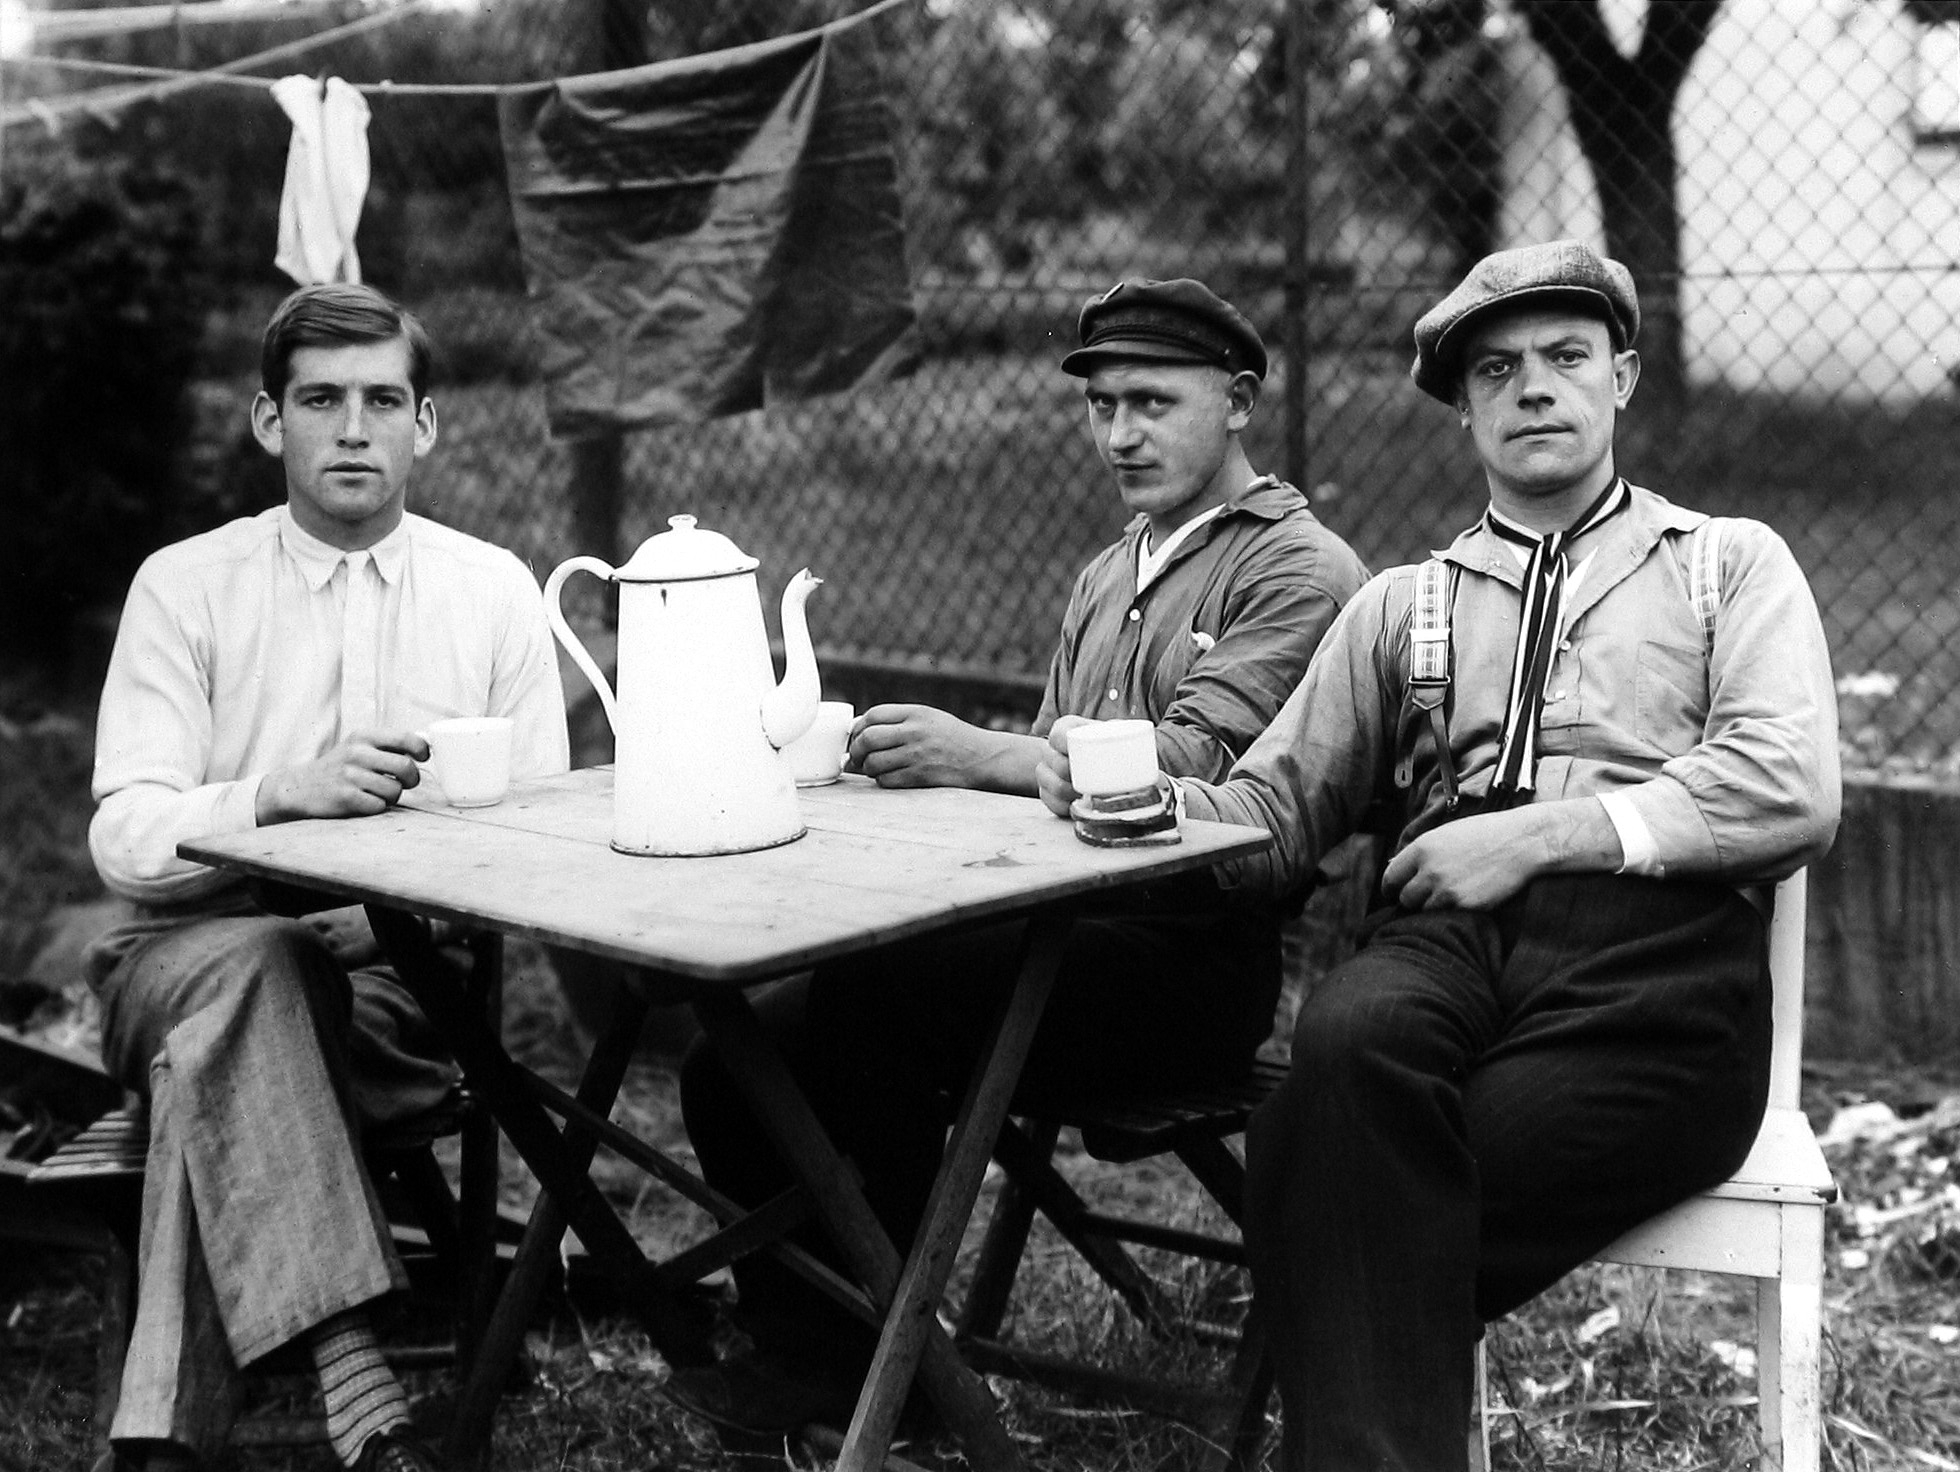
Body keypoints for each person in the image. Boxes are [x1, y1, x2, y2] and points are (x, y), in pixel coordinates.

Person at [1176, 239, 1841, 1469]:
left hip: (1656, 971)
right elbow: (1270, 813)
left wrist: (1537, 833)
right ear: (1465, 404)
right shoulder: (1401, 603)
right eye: (1496, 369)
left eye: (1563, 357)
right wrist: (1100, 794)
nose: (1532, 387)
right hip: (1443, 943)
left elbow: (1789, 785)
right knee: (1339, 1047)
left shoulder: (1722, 564)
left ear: (1622, 378)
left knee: (1315, 1171)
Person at [671, 278, 1370, 1433]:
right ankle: (822, 1348)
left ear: (1239, 401)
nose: (1119, 433)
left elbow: (1189, 768)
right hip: (1050, 933)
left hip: (1185, 964)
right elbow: (1037, 802)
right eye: (1101, 405)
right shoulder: (1111, 571)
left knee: (869, 995)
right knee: (732, 1053)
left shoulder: (1298, 569)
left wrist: (979, 750)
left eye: (1151, 401)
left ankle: (890, 1379)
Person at [85, 284, 570, 1472]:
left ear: (428, 424)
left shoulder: (493, 588)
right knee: (260, 961)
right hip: (174, 960)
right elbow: (124, 837)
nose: (353, 428)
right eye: (320, 400)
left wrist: (381, 918)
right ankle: (359, 1387)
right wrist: (268, 796)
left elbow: (543, 836)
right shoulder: (186, 584)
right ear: (268, 422)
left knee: (237, 1035)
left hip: (402, 989)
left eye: (381, 399)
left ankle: (159, 1441)